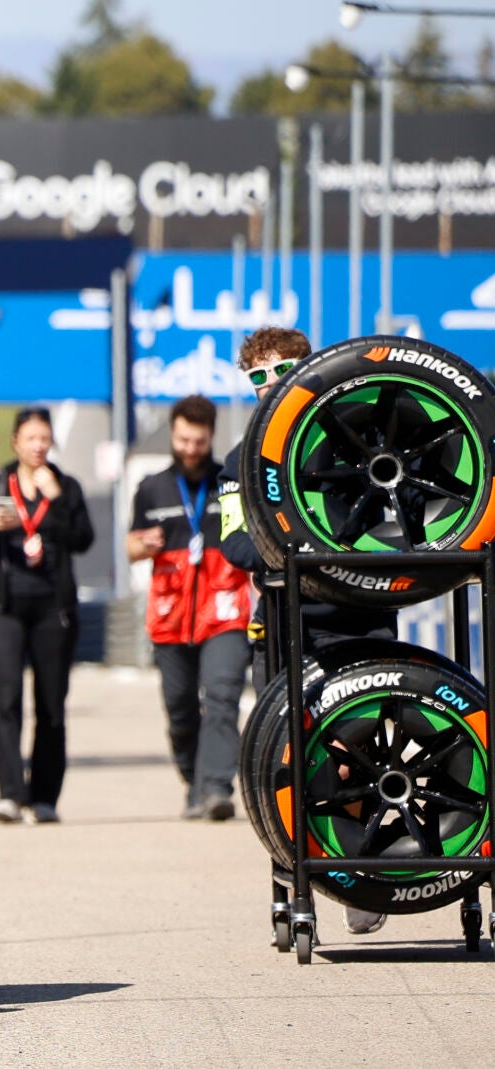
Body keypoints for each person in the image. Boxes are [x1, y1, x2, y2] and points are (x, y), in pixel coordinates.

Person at [217, 326, 395, 936]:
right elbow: (236, 543)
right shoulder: (238, 459)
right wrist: (301, 553)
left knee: (360, 753)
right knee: (298, 763)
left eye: (285, 368)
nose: (272, 383)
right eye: (259, 375)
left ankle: (361, 871)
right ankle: (307, 882)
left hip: (361, 617)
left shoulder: (352, 439)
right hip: (286, 626)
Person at [0, 407, 95, 825]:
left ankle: (44, 797)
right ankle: (9, 794)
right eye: (31, 439)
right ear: (16, 442)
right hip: (4, 606)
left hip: (53, 608)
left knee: (51, 704)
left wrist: (55, 501)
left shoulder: (66, 486)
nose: (38, 446)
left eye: (44, 438)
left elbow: (83, 539)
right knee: (6, 698)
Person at [127, 395, 249, 821]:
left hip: (225, 612)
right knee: (180, 708)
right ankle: (194, 782)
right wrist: (142, 545)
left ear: (211, 436)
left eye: (198, 441)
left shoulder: (229, 482)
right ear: (173, 435)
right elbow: (129, 547)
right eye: (183, 440)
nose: (191, 449)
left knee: (222, 697)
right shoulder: (151, 488)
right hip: (171, 616)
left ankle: (217, 788)